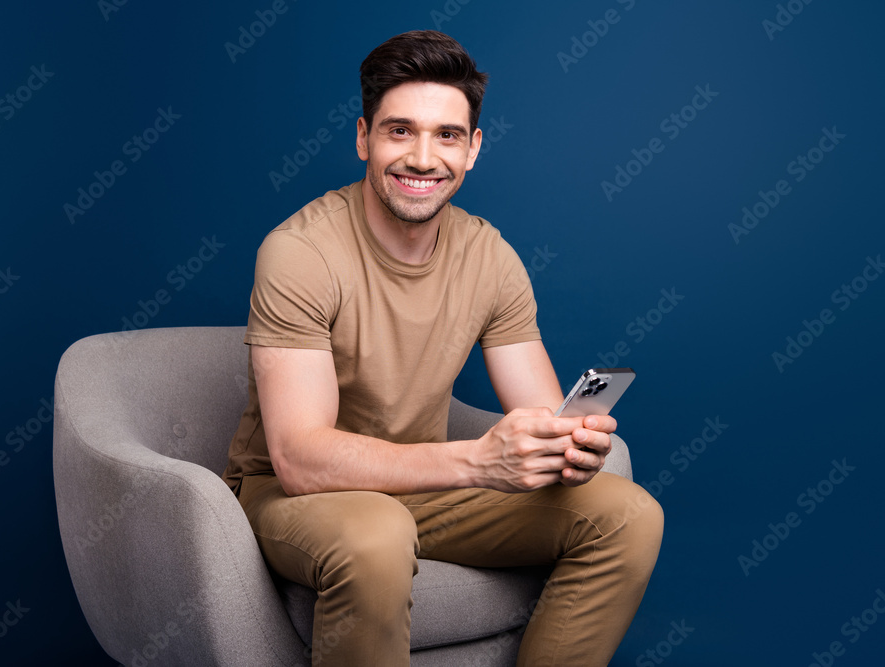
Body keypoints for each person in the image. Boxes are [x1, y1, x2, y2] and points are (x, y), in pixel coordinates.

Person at [222, 29, 663, 666]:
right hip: (299, 496)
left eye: (447, 135)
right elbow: (300, 459)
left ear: (473, 148)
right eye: (400, 131)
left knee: (629, 516)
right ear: (363, 138)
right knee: (376, 532)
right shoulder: (300, 253)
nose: (423, 159)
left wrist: (567, 447)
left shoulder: (491, 256)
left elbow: (537, 410)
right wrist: (479, 463)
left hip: (425, 488)